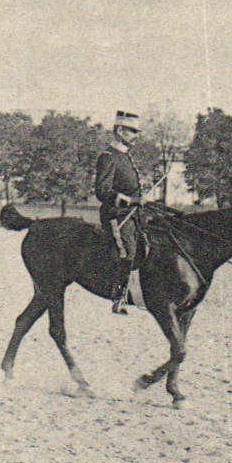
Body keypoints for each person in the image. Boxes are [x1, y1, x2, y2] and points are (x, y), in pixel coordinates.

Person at [95, 109, 144, 315]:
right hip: (116, 216)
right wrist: (130, 200)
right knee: (128, 250)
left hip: (133, 215)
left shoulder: (125, 157)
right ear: (120, 131)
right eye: (132, 131)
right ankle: (118, 296)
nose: (136, 136)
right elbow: (102, 191)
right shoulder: (109, 157)